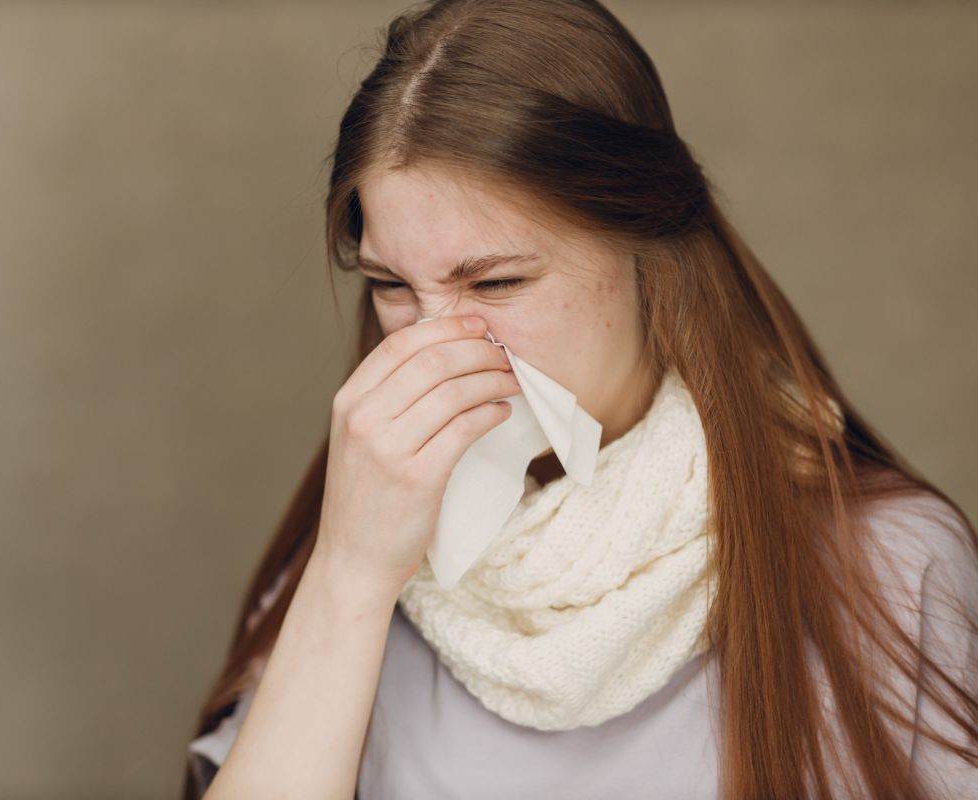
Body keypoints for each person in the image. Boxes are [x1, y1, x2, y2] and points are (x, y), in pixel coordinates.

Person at [183, 1, 978, 798]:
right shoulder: (357, 551)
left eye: (496, 282)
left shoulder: (887, 568)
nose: (440, 345)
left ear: (650, 258)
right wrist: (348, 575)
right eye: (391, 286)